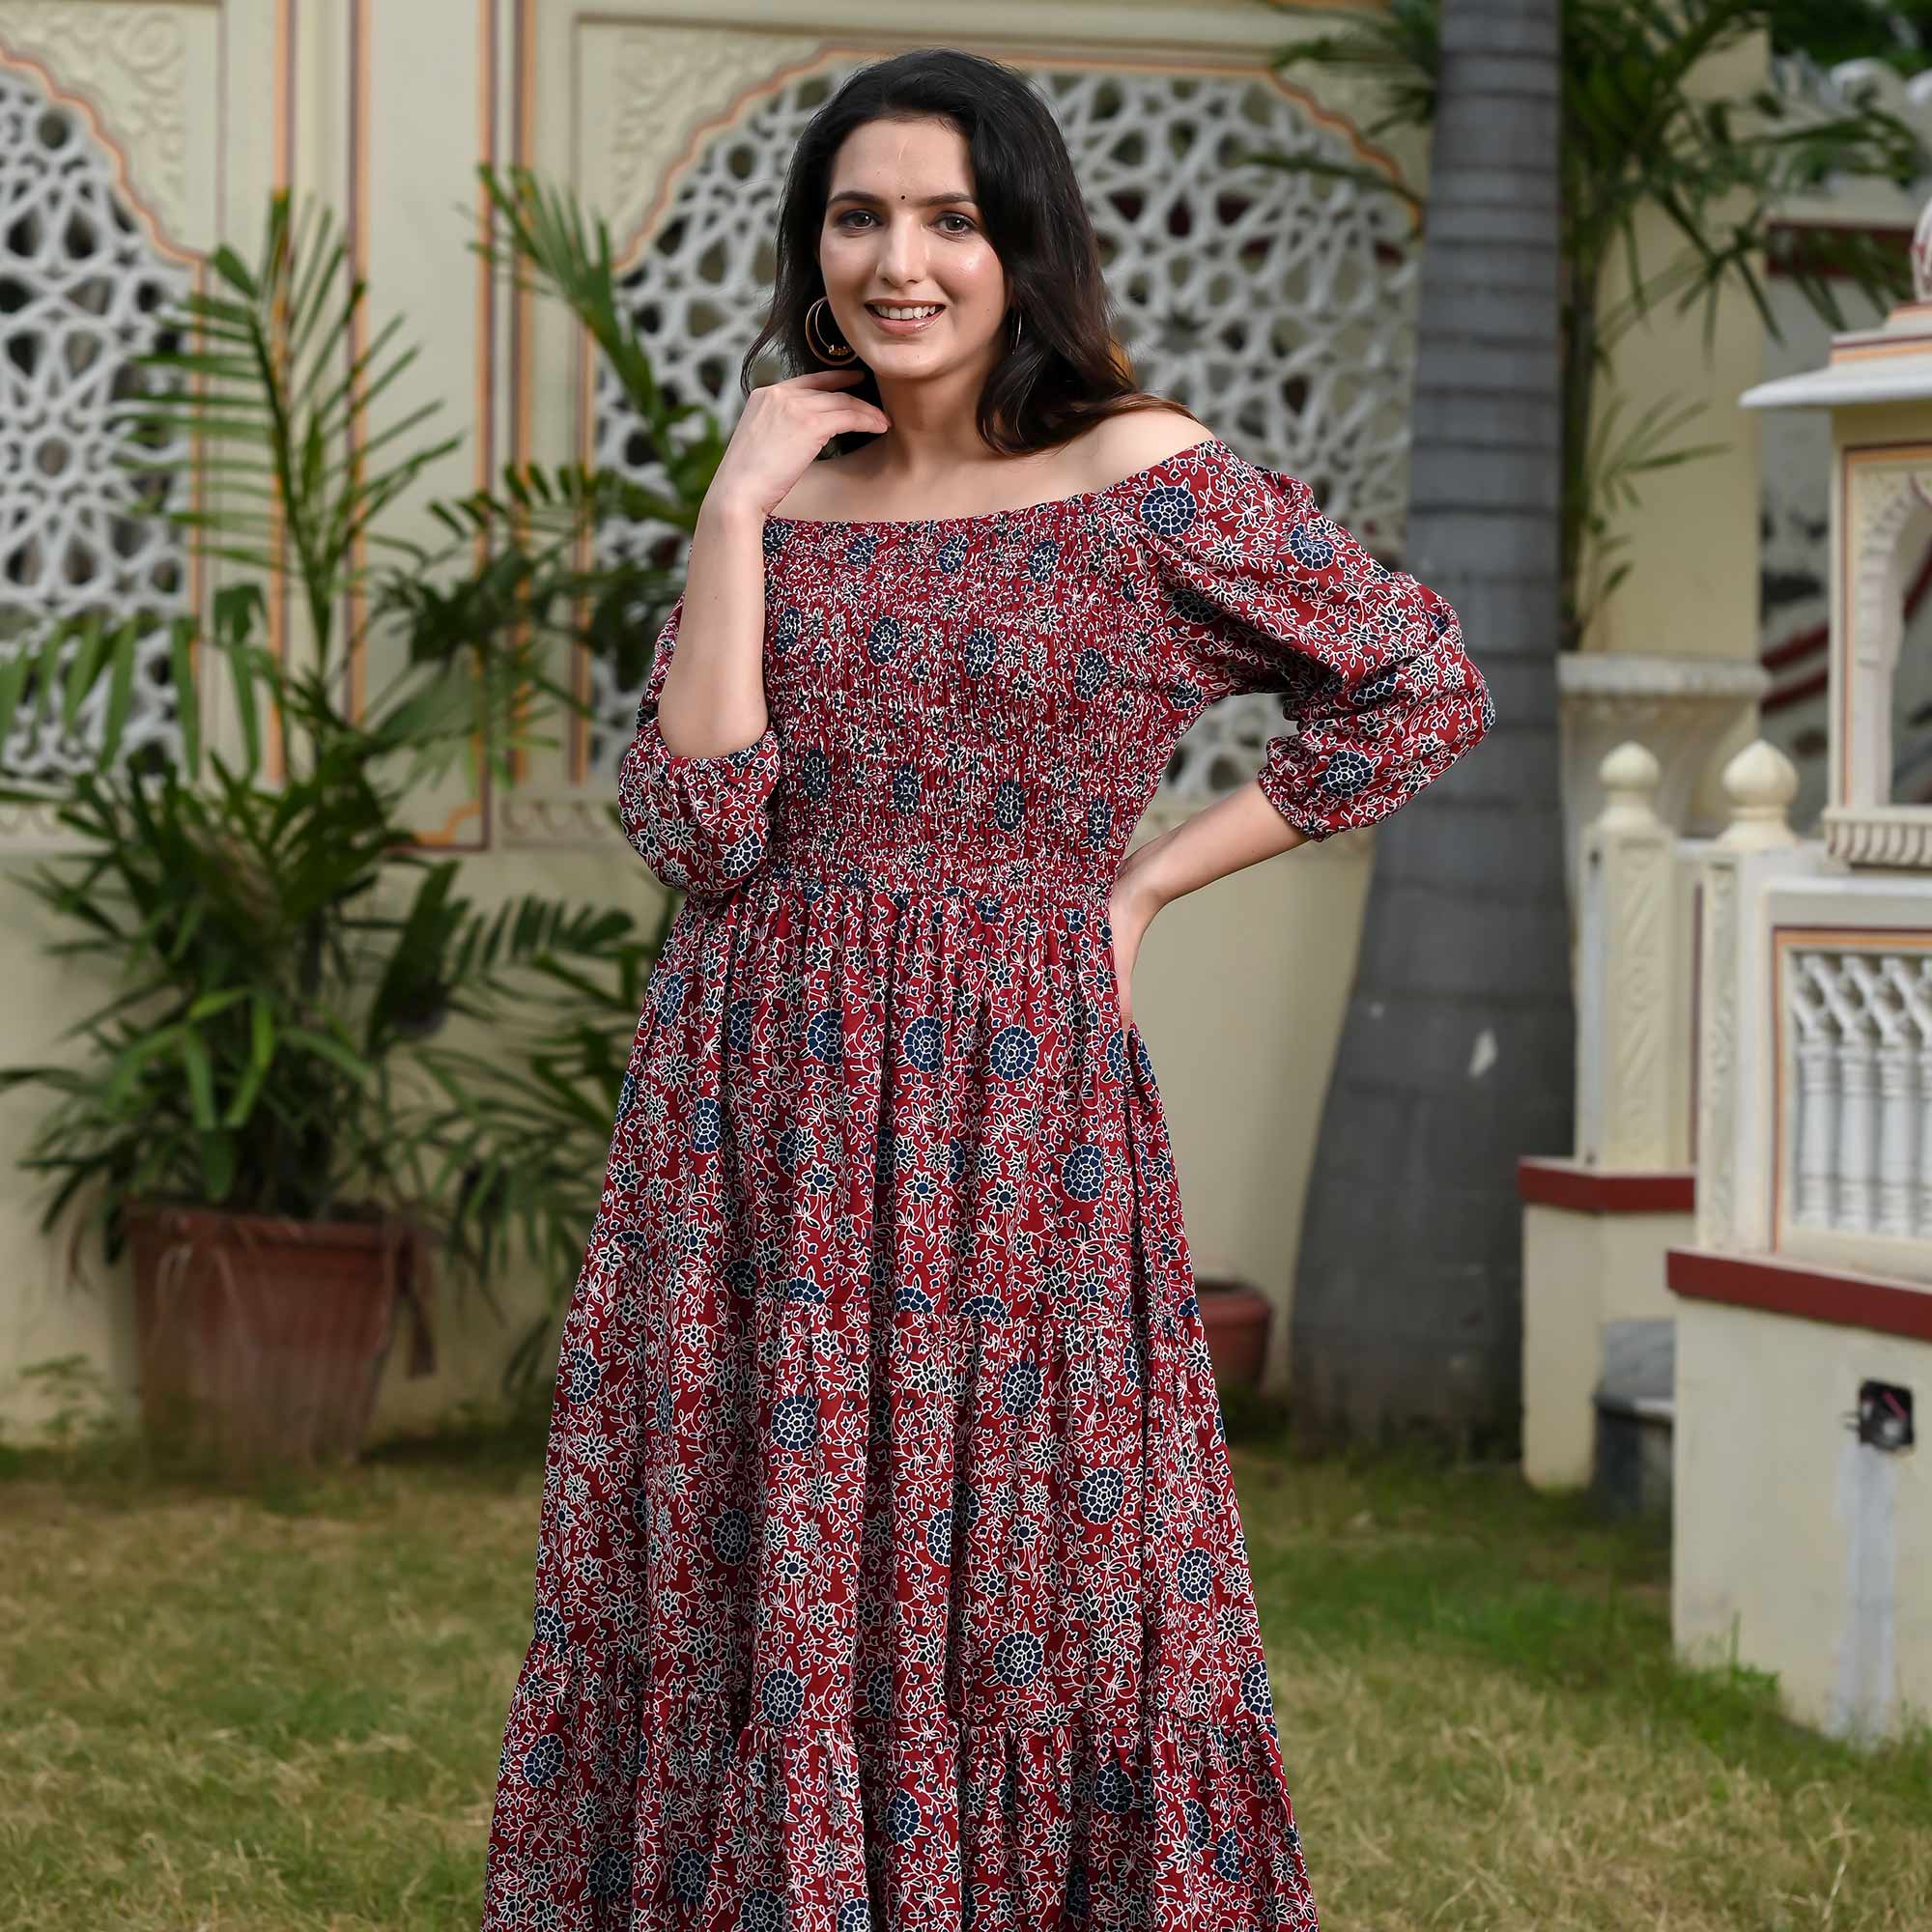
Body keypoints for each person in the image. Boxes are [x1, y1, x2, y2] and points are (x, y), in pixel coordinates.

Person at [480, 44, 1492, 1932]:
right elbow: (695, 826)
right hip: (747, 1078)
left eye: (948, 217)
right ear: (813, 252)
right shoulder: (791, 498)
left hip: (1004, 1087)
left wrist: (1150, 885)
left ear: (1020, 241)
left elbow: (1416, 680)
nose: (901, 261)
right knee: (748, 1523)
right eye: (858, 217)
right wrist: (726, 511)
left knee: (1020, 1547)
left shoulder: (1143, 479)